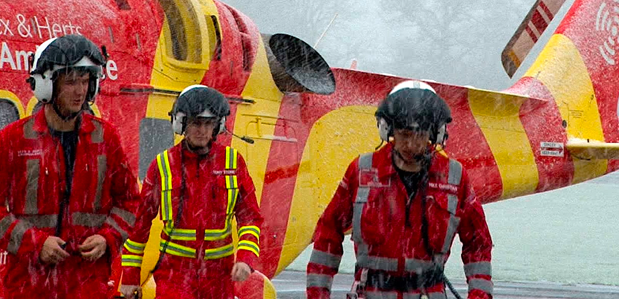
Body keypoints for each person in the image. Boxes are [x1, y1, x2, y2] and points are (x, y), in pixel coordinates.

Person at [0, 34, 140, 299]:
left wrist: (107, 238)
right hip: (29, 285)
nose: (80, 91)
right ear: (46, 85)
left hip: (88, 284)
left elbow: (130, 202)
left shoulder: (106, 138)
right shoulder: (11, 140)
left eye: (85, 81)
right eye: (70, 82)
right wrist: (35, 243)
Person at [306, 80, 494, 299]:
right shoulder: (362, 172)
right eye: (404, 134)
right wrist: (317, 294)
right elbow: (328, 231)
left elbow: (478, 242)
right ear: (388, 130)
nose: (411, 145)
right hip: (371, 293)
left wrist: (480, 295)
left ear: (435, 134)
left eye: (420, 135)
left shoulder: (454, 177)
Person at [120, 85, 263, 299]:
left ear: (218, 126)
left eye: (208, 124)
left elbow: (250, 217)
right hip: (174, 277)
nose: (202, 130)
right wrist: (130, 278)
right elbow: (139, 226)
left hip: (219, 278)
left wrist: (245, 257)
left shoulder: (234, 163)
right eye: (196, 123)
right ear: (182, 124)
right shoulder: (162, 165)